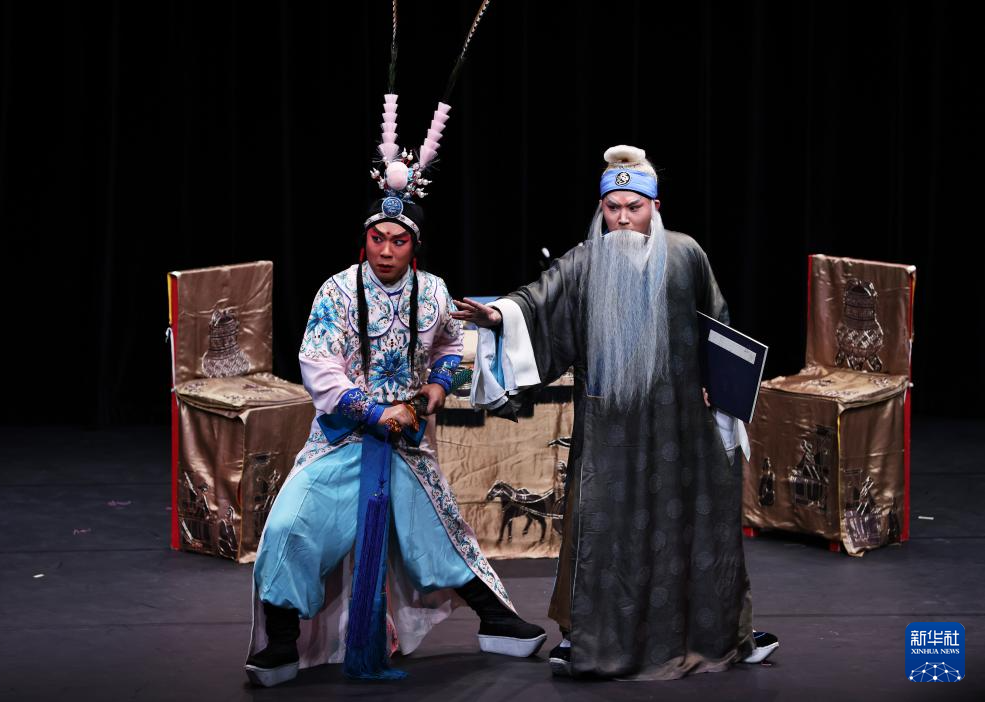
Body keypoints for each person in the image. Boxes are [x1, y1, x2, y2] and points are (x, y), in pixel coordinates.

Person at [244, 95, 545, 687]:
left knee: (439, 531)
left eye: (398, 241)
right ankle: (281, 643)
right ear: (365, 240)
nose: (386, 250)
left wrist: (436, 389)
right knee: (289, 527)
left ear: (415, 245)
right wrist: (373, 411)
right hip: (341, 440)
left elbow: (450, 346)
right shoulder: (336, 291)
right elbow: (318, 366)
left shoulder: (433, 292)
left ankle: (497, 619)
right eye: (377, 238)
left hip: (405, 441)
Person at [452, 145, 778, 680]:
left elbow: (718, 326)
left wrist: (722, 389)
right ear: (601, 208)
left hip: (680, 427)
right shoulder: (585, 262)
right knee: (602, 531)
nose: (623, 218)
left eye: (634, 207)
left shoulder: (685, 255)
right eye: (613, 208)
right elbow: (536, 302)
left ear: (655, 206)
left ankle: (716, 632)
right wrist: (498, 315)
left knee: (691, 525)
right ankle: (589, 634)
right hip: (611, 431)